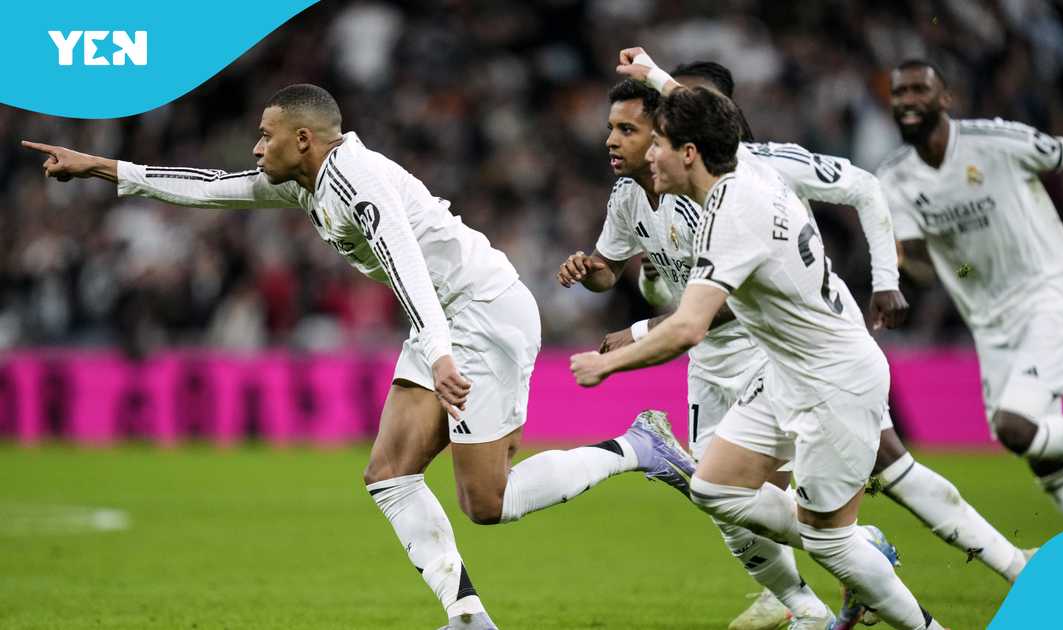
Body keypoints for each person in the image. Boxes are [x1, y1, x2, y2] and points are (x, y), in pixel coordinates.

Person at [22, 83, 696, 630]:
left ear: (304, 139)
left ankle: (637, 445)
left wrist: (437, 355)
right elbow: (212, 186)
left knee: (487, 504)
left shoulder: (358, 182)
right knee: (388, 475)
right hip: (446, 320)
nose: (257, 146)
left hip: (483, 314)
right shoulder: (304, 180)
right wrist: (106, 168)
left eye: (267, 135)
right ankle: (466, 615)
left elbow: (407, 269)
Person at [570, 48, 948, 630]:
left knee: (803, 525)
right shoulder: (682, 182)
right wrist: (655, 75)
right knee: (715, 491)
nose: (630, 146)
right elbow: (615, 269)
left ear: (676, 145)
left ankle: (878, 583)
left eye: (642, 135)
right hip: (745, 366)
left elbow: (700, 319)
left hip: (799, 366)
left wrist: (619, 355)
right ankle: (835, 570)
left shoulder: (725, 207)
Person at [878, 60, 1063, 526]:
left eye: (917, 90)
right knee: (1042, 454)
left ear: (944, 99)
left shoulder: (995, 141)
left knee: (1016, 427)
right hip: (988, 321)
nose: (907, 100)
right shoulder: (894, 178)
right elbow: (921, 259)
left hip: (1047, 294)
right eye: (898, 93)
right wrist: (906, 265)